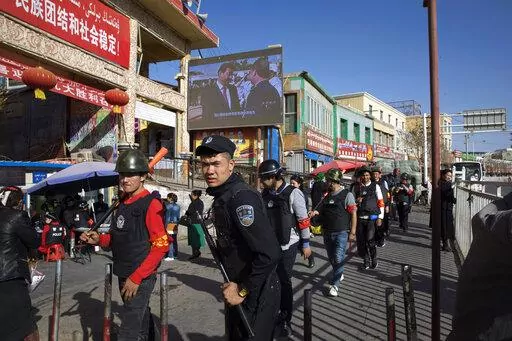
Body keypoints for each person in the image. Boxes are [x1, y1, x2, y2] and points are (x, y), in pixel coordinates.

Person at [195, 135, 281, 341]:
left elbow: (270, 254)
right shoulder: (223, 196)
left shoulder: (241, 198)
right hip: (238, 287)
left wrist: (242, 291)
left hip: (257, 291)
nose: (209, 170)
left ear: (231, 165)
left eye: (216, 163)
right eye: (205, 164)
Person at [80, 149, 169, 341]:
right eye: (122, 175)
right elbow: (117, 239)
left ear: (144, 176)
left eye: (131, 174)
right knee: (140, 319)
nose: (125, 179)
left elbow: (161, 246)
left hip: (141, 275)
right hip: (123, 271)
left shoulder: (152, 204)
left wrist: (136, 278)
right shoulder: (121, 204)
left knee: (128, 329)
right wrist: (100, 240)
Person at [259, 160, 312, 337]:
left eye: (264, 178)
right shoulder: (265, 193)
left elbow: (303, 219)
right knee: (269, 279)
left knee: (284, 280)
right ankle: (271, 311)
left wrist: (306, 243)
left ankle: (285, 317)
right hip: (270, 245)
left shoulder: (293, 193)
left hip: (289, 244)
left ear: (274, 177)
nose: (262, 182)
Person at [0, 186, 41, 341]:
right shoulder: (17, 216)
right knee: (27, 328)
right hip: (11, 278)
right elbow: (34, 241)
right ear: (18, 202)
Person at [309, 169, 357, 297]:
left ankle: (335, 285)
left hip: (341, 233)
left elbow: (353, 213)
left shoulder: (347, 195)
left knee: (338, 257)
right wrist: (315, 213)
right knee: (332, 258)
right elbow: (322, 211)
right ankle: (339, 273)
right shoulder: (327, 196)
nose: (326, 183)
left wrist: (352, 231)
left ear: (334, 181)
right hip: (327, 232)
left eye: (328, 181)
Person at [352, 166, 385, 270]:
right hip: (360, 218)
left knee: (370, 240)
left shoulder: (376, 186)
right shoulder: (356, 187)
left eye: (367, 175)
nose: (365, 177)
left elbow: (381, 202)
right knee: (361, 242)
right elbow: (351, 204)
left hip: (372, 218)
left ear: (370, 176)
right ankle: (366, 261)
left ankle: (374, 259)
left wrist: (380, 217)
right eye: (363, 175)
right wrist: (357, 201)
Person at [290, 174, 315, 268]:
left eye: (294, 183)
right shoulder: (289, 193)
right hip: (292, 222)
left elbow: (305, 208)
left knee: (302, 243)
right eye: (291, 183)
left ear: (299, 184)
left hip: (301, 221)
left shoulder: (301, 194)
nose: (292, 185)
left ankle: (310, 257)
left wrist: (308, 213)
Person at [371, 166, 390, 247]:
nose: (375, 175)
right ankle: (375, 240)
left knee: (381, 224)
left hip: (382, 207)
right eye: (374, 174)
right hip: (373, 207)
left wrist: (387, 205)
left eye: (376, 174)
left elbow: (388, 195)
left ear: (379, 175)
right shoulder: (370, 183)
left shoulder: (383, 183)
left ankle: (381, 239)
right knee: (373, 224)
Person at [184, 189, 205, 260]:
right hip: (199, 222)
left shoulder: (194, 203)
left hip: (193, 222)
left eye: (192, 194)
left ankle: (195, 253)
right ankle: (197, 251)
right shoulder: (201, 202)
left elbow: (190, 211)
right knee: (197, 239)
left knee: (193, 239)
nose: (191, 196)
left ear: (195, 195)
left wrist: (186, 214)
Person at [440, 169, 456, 252]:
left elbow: (450, 196)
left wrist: (454, 200)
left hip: (448, 208)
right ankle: (445, 244)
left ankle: (447, 243)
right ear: (443, 175)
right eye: (448, 175)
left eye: (450, 176)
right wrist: (451, 188)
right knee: (444, 226)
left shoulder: (448, 183)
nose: (449, 177)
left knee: (448, 226)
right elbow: (445, 194)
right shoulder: (441, 183)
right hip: (443, 208)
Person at [164, 193, 180, 261]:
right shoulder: (178, 206)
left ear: (170, 198)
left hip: (169, 223)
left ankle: (170, 256)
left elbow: (167, 217)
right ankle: (175, 254)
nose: (167, 198)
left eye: (167, 197)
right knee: (174, 240)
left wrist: (165, 225)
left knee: (170, 240)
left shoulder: (168, 206)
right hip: (175, 223)